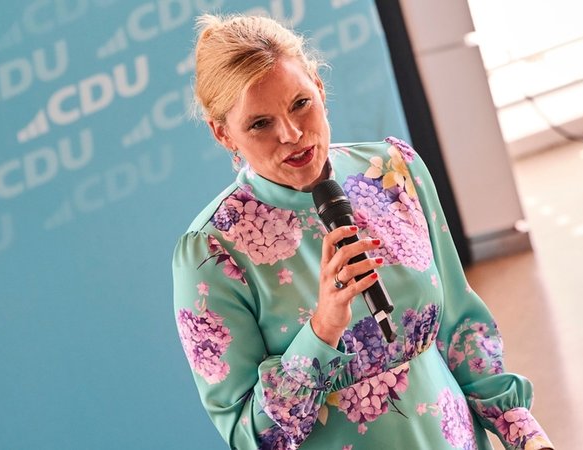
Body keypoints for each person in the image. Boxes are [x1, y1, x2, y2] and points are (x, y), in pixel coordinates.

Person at [172, 13, 554, 450]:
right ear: (223, 134)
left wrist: (523, 432)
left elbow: (460, 325)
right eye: (260, 124)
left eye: (300, 103)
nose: (292, 134)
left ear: (319, 87)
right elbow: (248, 436)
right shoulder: (210, 251)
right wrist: (322, 329)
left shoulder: (393, 170)